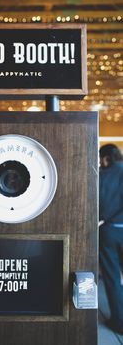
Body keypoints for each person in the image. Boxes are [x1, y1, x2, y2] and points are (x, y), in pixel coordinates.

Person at [99, 143, 123, 335]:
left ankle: (119, 321)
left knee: (112, 277)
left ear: (105, 158)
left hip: (109, 231)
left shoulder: (102, 175)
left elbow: (100, 204)